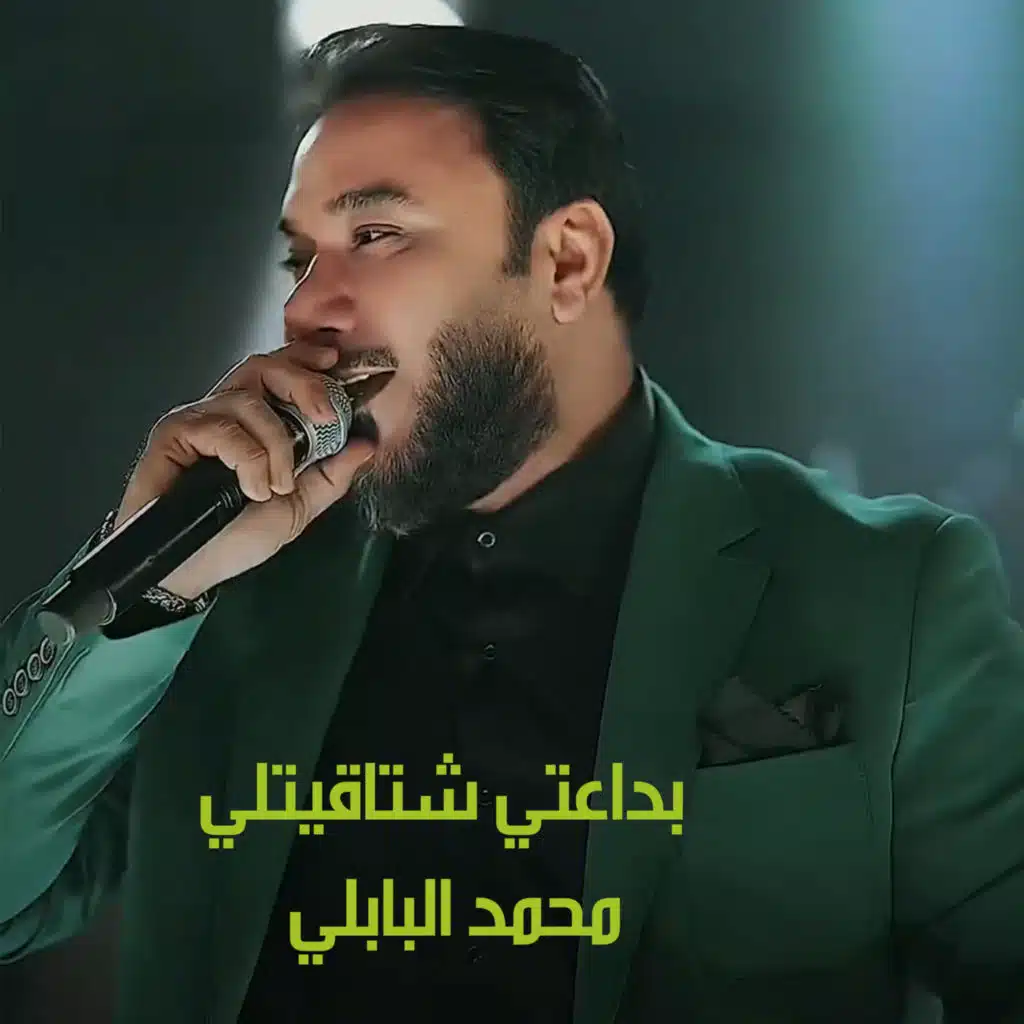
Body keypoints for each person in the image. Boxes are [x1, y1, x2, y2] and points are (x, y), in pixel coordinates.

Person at [1, 23, 1021, 1024]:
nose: (307, 308)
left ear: (567, 261)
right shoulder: (225, 584)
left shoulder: (886, 586)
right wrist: (144, 572)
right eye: (301, 257)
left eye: (375, 235)